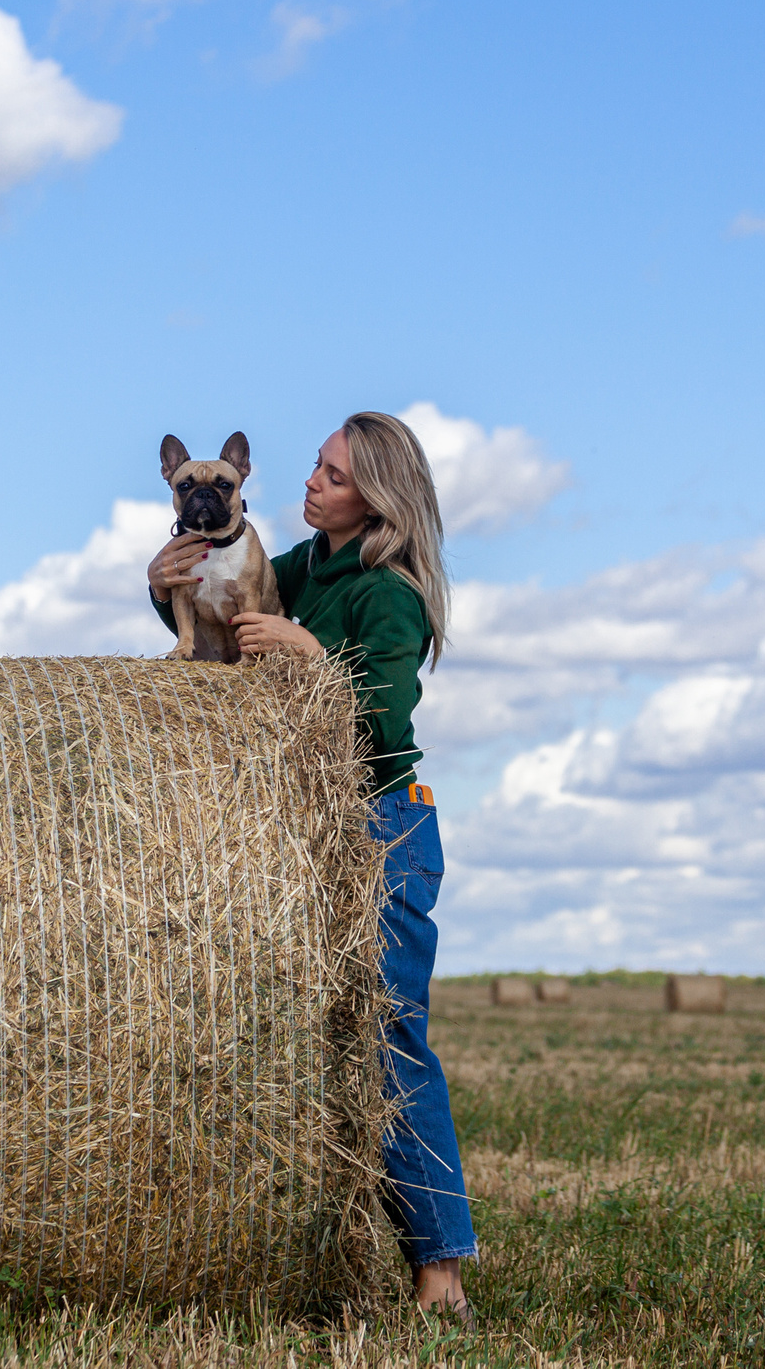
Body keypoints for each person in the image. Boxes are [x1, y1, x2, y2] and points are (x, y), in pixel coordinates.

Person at [147, 411, 477, 1319]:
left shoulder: (389, 593)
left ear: (375, 496)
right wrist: (160, 582)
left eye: (331, 476)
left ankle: (441, 1271)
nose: (310, 483)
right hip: (312, 823)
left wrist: (311, 652)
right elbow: (223, 608)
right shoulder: (305, 564)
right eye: (316, 469)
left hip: (384, 826)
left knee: (389, 1037)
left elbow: (384, 726)